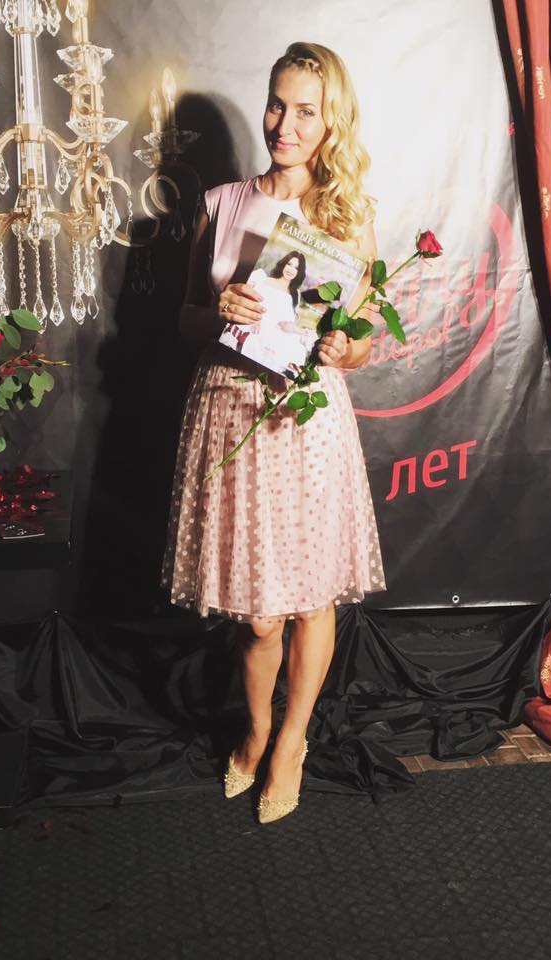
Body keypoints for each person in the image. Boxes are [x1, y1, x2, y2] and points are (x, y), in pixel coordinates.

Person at [161, 41, 386, 824]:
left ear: (332, 123)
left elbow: (362, 340)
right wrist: (216, 310)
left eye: (306, 112)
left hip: (305, 419)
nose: (285, 125)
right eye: (277, 104)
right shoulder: (222, 202)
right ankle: (256, 728)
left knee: (309, 598)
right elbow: (186, 319)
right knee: (257, 614)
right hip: (229, 407)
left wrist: (345, 348)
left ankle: (291, 742)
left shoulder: (347, 216)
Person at [227, 251, 308, 373]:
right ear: (284, 264)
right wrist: (255, 318)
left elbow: (287, 322)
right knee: (258, 343)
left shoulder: (295, 294)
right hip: (258, 323)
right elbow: (247, 300)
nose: (291, 270)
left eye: (296, 268)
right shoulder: (263, 280)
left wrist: (302, 331)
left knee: (298, 350)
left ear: (299, 272)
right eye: (289, 264)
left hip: (278, 331)